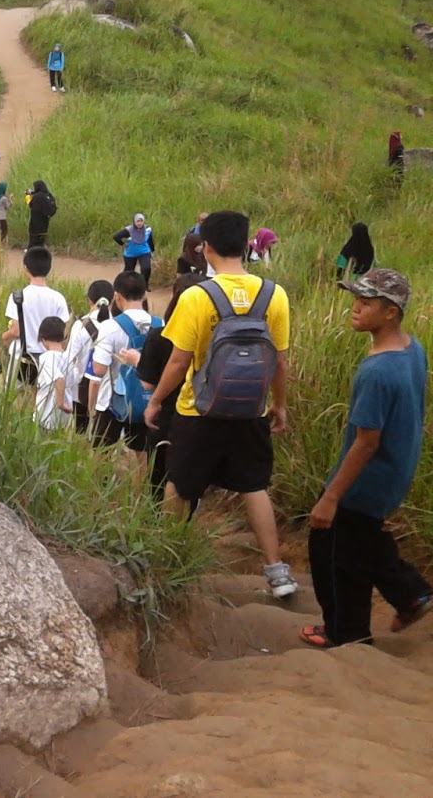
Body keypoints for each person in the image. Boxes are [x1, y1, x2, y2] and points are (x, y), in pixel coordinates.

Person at [144, 210, 297, 599]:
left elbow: (178, 361)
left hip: (199, 409)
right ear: (246, 246)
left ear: (206, 248)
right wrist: (278, 404)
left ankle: (165, 562)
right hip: (251, 410)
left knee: (180, 484)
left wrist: (156, 400)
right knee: (254, 486)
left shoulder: (197, 296)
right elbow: (280, 360)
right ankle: (277, 573)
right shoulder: (274, 294)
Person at [301, 269, 430, 648]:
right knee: (362, 540)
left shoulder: (376, 372)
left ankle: (347, 634)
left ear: (391, 312)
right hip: (395, 469)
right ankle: (411, 594)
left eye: (366, 303)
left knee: (332, 552)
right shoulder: (412, 349)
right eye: (355, 299)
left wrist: (331, 497)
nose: (355, 308)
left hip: (365, 479)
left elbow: (365, 443)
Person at [86, 271, 158, 484]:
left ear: (117, 297)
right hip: (147, 400)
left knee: (101, 451)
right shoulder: (160, 324)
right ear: (144, 295)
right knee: (143, 454)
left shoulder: (110, 326)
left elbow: (99, 370)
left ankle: (97, 492)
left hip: (112, 402)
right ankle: (141, 494)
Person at [136, 275, 203, 500]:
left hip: (164, 415)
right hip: (202, 413)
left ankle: (156, 515)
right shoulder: (211, 336)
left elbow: (147, 382)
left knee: (160, 474)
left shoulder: (159, 336)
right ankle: (189, 516)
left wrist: (137, 362)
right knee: (191, 476)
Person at [1, 246, 70, 387]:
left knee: (11, 394)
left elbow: (16, 331)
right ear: (49, 269)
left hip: (21, 356)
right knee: (43, 395)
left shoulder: (17, 297)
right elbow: (64, 334)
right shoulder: (58, 298)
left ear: (25, 269)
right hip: (49, 358)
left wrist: (4, 337)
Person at [65, 280, 113, 435]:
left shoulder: (80, 325)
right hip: (110, 390)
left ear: (89, 300)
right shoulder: (117, 325)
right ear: (113, 300)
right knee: (104, 436)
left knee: (81, 432)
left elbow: (70, 358)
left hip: (82, 390)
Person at [34, 317, 71, 431]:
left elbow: (59, 379)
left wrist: (60, 404)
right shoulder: (68, 357)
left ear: (42, 338)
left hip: (46, 416)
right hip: (63, 418)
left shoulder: (47, 358)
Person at [112, 212, 155, 288]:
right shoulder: (128, 230)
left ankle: (144, 285)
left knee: (146, 268)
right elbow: (116, 236)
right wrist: (122, 244)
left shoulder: (148, 229)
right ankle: (122, 286)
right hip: (131, 253)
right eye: (138, 221)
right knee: (129, 272)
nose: (139, 223)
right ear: (134, 222)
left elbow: (150, 240)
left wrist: (152, 250)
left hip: (144, 252)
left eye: (141, 221)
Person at [26, 180, 57, 247]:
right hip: (45, 222)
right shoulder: (48, 195)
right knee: (41, 240)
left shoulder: (37, 197)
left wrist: (27, 196)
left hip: (36, 223)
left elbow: (30, 204)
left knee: (34, 241)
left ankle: (31, 251)